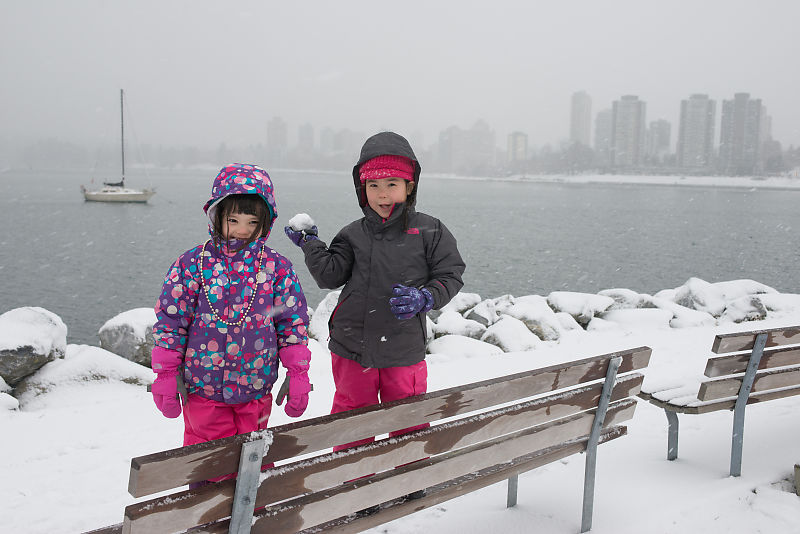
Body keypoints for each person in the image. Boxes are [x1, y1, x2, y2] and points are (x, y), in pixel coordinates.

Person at [284, 131, 465, 453]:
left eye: (392, 184)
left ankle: (406, 481)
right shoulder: (353, 233)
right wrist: (311, 244)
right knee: (353, 419)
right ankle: (353, 482)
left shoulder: (430, 230)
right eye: (373, 186)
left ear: (409, 187)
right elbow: (330, 275)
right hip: (352, 345)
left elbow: (450, 274)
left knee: (407, 418)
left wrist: (426, 297)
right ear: (362, 189)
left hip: (403, 348)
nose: (382, 194)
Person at [150, 163, 312, 458]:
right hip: (203, 392)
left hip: (256, 389)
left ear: (266, 222)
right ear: (217, 216)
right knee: (207, 463)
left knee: (254, 462)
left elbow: (292, 324)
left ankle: (255, 505)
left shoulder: (276, 267)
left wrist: (298, 373)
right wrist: (165, 374)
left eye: (252, 222)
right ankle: (207, 504)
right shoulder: (192, 264)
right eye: (234, 220)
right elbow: (171, 322)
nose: (242, 230)